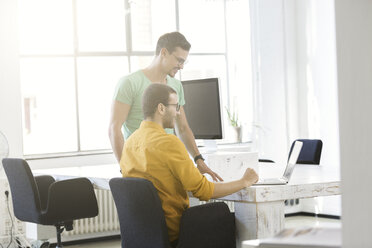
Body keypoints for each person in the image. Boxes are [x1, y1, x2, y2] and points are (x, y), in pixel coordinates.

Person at [120, 83, 259, 244]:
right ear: (161, 108)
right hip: (174, 232)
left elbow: (154, 178)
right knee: (222, 213)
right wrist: (244, 181)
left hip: (145, 234)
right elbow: (204, 191)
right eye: (176, 106)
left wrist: (189, 172)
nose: (178, 112)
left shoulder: (129, 143)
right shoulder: (168, 142)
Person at [108, 31, 222, 181]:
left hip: (168, 167)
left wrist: (199, 160)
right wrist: (125, 169)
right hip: (140, 169)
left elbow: (182, 128)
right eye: (179, 60)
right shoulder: (129, 83)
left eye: (184, 62)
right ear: (164, 53)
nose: (181, 67)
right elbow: (114, 128)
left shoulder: (176, 86)